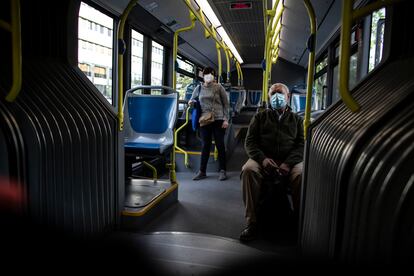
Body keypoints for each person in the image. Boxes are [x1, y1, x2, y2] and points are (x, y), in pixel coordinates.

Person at [239, 83, 304, 242]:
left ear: (288, 97)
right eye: (273, 94)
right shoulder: (260, 117)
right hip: (264, 158)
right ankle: (251, 222)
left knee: (301, 174)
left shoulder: (297, 119)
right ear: (269, 97)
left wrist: (288, 163)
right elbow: (250, 142)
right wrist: (262, 159)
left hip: (289, 160)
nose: (276, 97)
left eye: (280, 93)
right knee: (248, 170)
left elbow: (301, 145)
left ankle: (298, 220)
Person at [189, 67, 230, 181]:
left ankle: (223, 170)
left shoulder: (219, 87)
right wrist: (191, 103)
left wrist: (226, 119)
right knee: (205, 145)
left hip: (218, 119)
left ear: (214, 76)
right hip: (204, 119)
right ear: (203, 75)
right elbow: (191, 101)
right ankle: (202, 171)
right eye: (206, 74)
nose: (208, 76)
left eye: (211, 74)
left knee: (220, 144)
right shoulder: (198, 88)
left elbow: (226, 104)